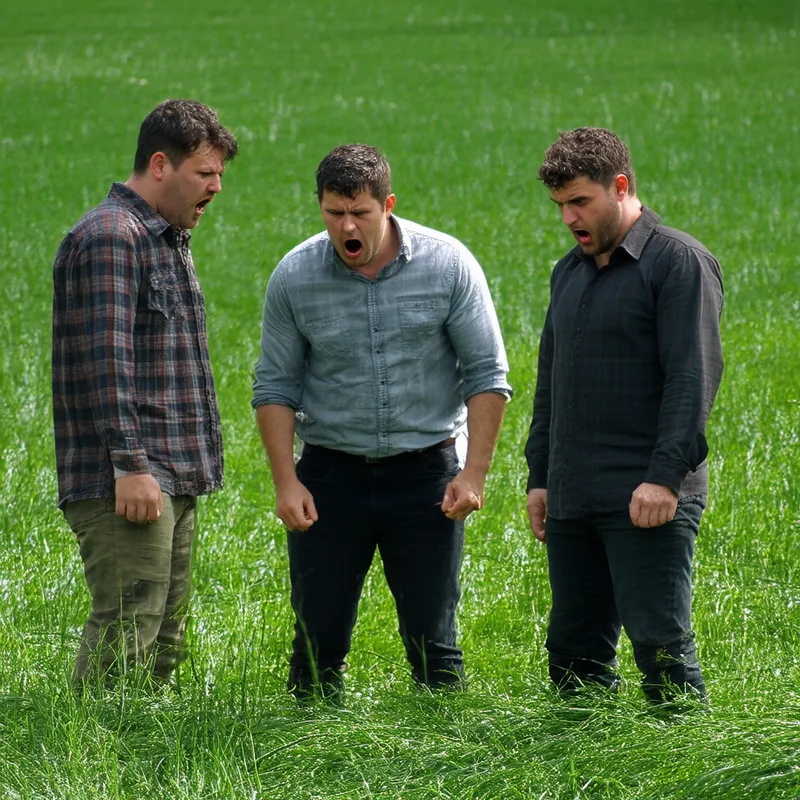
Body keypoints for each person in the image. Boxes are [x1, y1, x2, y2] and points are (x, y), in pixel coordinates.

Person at [252, 144, 512, 699]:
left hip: (426, 473)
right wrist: (285, 481)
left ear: (387, 204)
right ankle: (307, 757)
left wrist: (474, 474)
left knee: (433, 641)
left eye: (360, 212)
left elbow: (487, 373)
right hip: (329, 475)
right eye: (333, 212)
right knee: (316, 642)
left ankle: (442, 756)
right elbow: (275, 386)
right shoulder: (294, 276)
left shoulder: (448, 264)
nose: (347, 225)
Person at [525, 127, 724, 704]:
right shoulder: (569, 272)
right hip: (573, 494)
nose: (568, 217)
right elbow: (550, 385)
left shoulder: (679, 263)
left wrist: (664, 478)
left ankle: (686, 774)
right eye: (560, 204)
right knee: (572, 652)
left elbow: (694, 379)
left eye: (580, 201)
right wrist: (540, 477)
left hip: (648, 497)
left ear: (621, 187)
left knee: (661, 649)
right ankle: (582, 772)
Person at [52, 99, 239, 688]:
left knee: (165, 639)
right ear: (160, 165)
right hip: (129, 478)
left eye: (219, 176)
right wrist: (131, 465)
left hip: (172, 474)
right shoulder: (112, 237)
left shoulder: (164, 239)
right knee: (127, 628)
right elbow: (106, 364)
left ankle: (146, 762)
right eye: (204, 174)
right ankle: (95, 765)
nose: (215, 187)